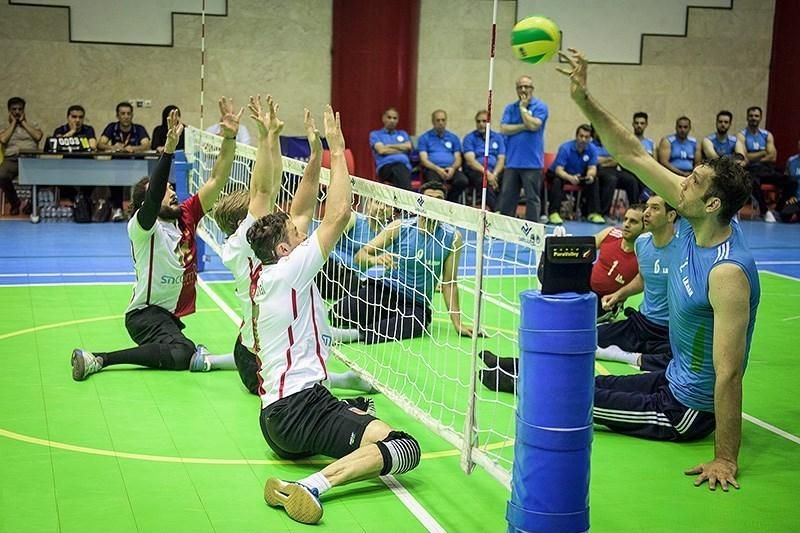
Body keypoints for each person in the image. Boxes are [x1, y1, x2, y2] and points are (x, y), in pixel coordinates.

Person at [559, 48, 760, 491]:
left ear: (712, 204)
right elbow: (633, 155)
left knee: (564, 400)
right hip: (670, 379)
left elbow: (729, 372)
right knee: (577, 383)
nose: (679, 183)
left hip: (687, 410)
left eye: (691, 182)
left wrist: (725, 458)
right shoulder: (695, 220)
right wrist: (583, 98)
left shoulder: (726, 273)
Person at [248, 105, 420, 525]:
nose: (301, 230)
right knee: (405, 446)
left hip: (276, 418)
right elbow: (338, 214)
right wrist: (339, 150)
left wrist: (314, 151)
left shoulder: (264, 269)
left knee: (367, 418)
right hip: (299, 410)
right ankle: (311, 487)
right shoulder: (291, 270)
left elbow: (302, 211)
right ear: (286, 249)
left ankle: (309, 472)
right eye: (294, 234)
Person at [70, 99, 241, 381]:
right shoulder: (142, 227)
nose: (171, 190)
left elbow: (218, 179)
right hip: (144, 314)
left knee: (182, 351)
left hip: (166, 315)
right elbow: (153, 196)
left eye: (171, 187)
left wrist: (230, 138)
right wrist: (168, 150)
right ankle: (98, 359)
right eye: (164, 189)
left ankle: (177, 347)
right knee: (183, 354)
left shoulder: (186, 214)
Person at [210, 96, 372, 394]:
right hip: (255, 360)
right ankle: (335, 380)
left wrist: (313, 155)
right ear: (243, 221)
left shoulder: (264, 240)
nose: (265, 209)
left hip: (255, 340)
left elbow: (299, 211)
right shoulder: (246, 243)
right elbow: (263, 188)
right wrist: (265, 136)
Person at [333, 181, 475, 344]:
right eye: (428, 198)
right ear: (419, 201)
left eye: (439, 199)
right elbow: (361, 256)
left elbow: (449, 283)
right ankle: (381, 320)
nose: (434, 203)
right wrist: (375, 260)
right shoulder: (400, 227)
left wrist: (458, 324)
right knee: (339, 313)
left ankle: (357, 334)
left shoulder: (452, 238)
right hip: (386, 291)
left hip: (415, 304)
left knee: (416, 322)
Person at [595, 195, 679, 371]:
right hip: (641, 323)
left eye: (655, 208)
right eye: (647, 207)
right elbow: (642, 277)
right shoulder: (642, 243)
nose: (647, 213)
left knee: (679, 364)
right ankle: (641, 355)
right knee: (590, 338)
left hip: (670, 330)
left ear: (671, 216)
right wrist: (618, 295)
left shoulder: (684, 250)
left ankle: (631, 357)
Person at [312, 198, 393, 302]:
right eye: (378, 203)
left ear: (392, 211)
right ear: (368, 204)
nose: (382, 208)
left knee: (365, 291)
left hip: (351, 275)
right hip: (330, 265)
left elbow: (363, 265)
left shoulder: (387, 235)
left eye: (387, 205)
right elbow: (327, 241)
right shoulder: (354, 219)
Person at [498, 75, 548, 221]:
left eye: (526, 87)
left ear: (532, 89)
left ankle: (532, 231)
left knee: (532, 199)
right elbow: (503, 129)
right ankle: (505, 230)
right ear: (516, 89)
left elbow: (534, 125)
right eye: (520, 87)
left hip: (532, 163)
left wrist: (523, 108)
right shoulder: (509, 108)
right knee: (508, 198)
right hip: (512, 162)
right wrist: (524, 126)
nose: (523, 89)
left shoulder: (540, 107)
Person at [98, 101, 152, 221]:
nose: (126, 116)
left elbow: (146, 145)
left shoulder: (139, 129)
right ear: (118, 115)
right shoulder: (112, 127)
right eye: (123, 113)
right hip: (117, 165)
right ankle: (117, 209)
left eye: (128, 113)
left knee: (139, 187)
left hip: (137, 165)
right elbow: (100, 143)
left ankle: (136, 210)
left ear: (132, 115)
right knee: (116, 183)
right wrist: (113, 147)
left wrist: (133, 148)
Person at [590, 204, 646, 319]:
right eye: (625, 219)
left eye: (633, 221)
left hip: (607, 301)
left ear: (645, 227)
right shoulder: (610, 233)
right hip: (585, 287)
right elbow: (584, 247)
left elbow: (642, 282)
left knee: (583, 323)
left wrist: (618, 296)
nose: (626, 224)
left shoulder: (645, 254)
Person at [546, 124, 605, 224]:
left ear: (590, 138)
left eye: (586, 137)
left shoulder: (592, 149)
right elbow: (559, 170)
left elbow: (592, 168)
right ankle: (553, 213)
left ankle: (593, 213)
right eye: (581, 136)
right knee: (557, 181)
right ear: (576, 136)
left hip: (578, 174)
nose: (583, 139)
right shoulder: (565, 148)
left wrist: (590, 176)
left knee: (594, 180)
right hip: (560, 173)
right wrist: (570, 178)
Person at [737, 106, 787, 222]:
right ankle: (764, 211)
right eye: (751, 116)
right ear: (747, 117)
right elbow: (745, 158)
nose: (753, 118)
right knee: (751, 181)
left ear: (760, 118)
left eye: (756, 116)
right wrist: (764, 152)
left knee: (791, 182)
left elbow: (773, 157)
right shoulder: (742, 135)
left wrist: (753, 156)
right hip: (751, 170)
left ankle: (777, 211)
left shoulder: (767, 135)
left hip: (766, 169)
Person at [0, 97, 42, 215]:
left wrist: (23, 122)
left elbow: (38, 137)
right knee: (1, 175)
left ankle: (31, 204)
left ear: (24, 110)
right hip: (12, 159)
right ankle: (15, 203)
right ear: (9, 111)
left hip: (31, 159)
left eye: (20, 109)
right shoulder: (4, 125)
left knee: (43, 176)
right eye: (14, 109)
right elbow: (3, 139)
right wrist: (13, 123)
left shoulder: (32, 124)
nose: (17, 112)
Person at [417, 109, 470, 203]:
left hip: (451, 169)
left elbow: (458, 158)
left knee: (463, 181)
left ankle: (450, 202)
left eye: (443, 120)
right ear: (433, 121)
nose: (441, 123)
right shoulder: (424, 138)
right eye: (438, 120)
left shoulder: (453, 137)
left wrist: (453, 168)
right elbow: (424, 160)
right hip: (433, 169)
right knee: (435, 185)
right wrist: (438, 169)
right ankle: (438, 205)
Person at [462, 109, 505, 210]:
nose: (481, 124)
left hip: (495, 171)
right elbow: (470, 161)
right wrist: (487, 174)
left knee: (509, 180)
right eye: (478, 121)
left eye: (484, 121)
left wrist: (494, 174)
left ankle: (507, 212)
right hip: (477, 170)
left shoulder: (498, 138)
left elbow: (501, 159)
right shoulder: (469, 138)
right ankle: (497, 211)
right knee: (484, 181)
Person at [369, 107, 413, 190]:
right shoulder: (375, 134)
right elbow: (381, 150)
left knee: (400, 171)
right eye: (389, 117)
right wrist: (401, 149)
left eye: (395, 118)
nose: (392, 120)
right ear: (383, 118)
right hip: (385, 168)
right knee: (399, 168)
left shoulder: (403, 133)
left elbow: (408, 147)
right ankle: (408, 197)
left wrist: (389, 146)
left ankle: (401, 199)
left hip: (405, 168)